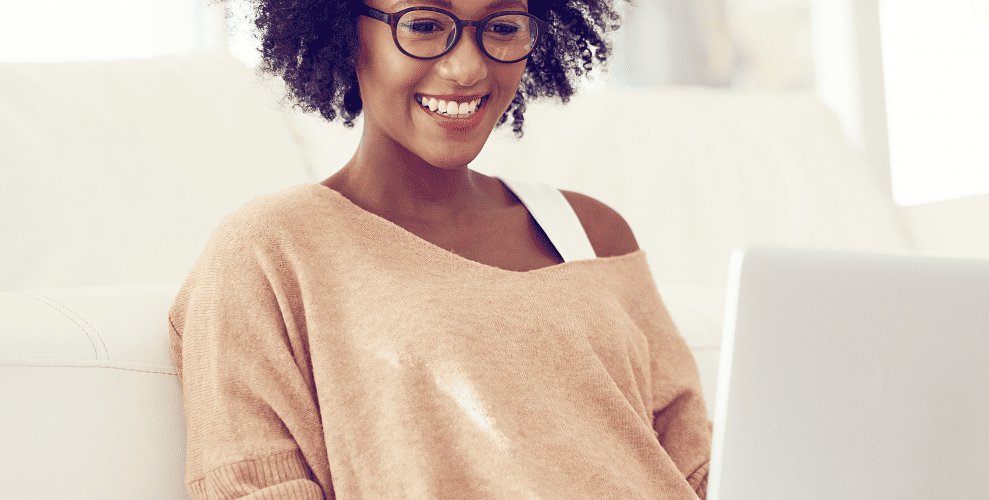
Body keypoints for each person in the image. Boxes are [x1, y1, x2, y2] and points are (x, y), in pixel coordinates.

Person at [166, 0, 712, 498]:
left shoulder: (590, 231)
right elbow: (251, 483)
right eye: (425, 26)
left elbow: (701, 467)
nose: (467, 68)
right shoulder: (268, 248)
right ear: (346, 31)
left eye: (501, 28)